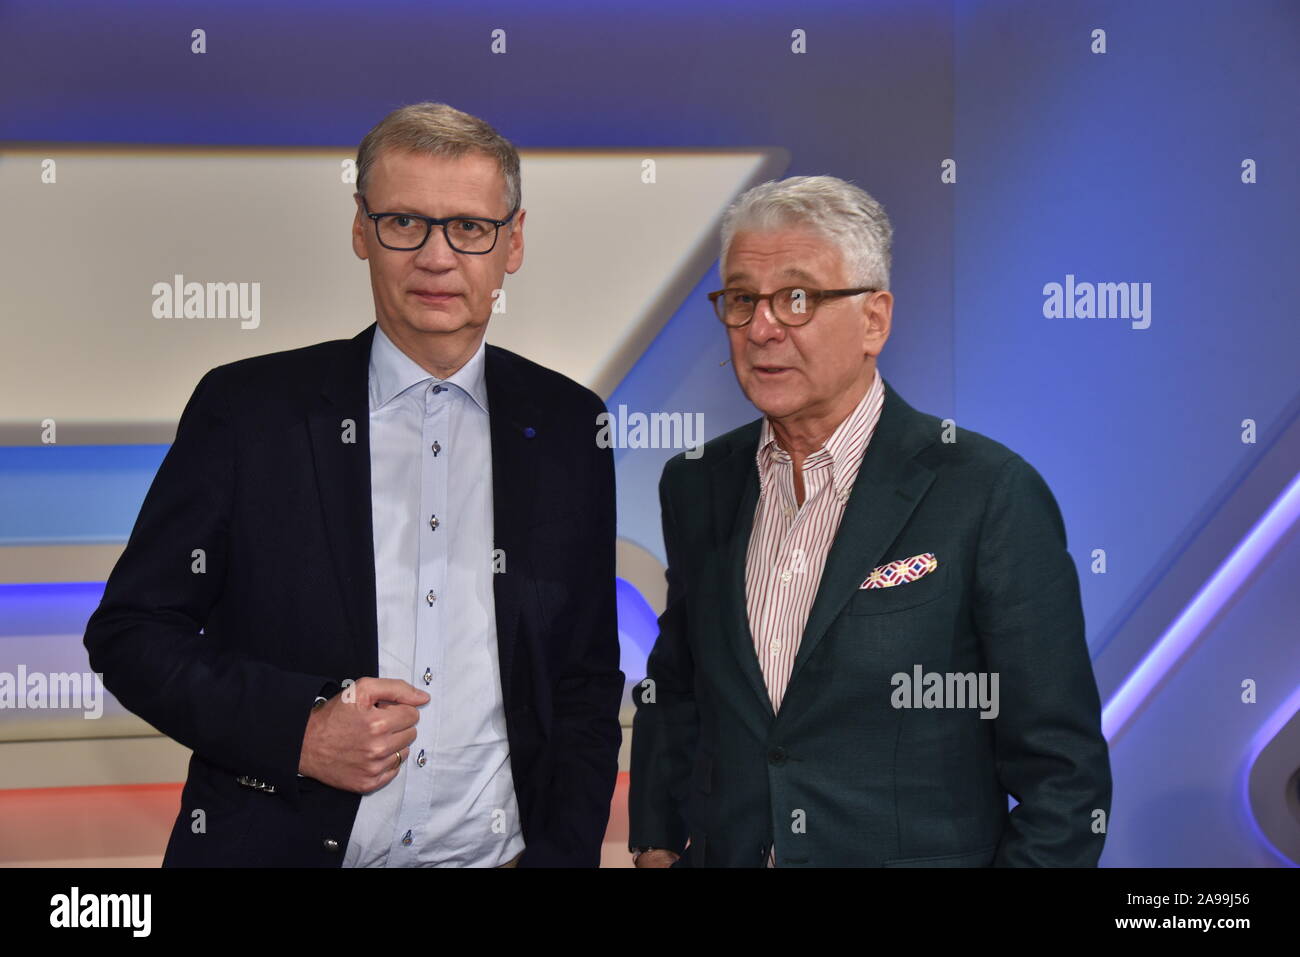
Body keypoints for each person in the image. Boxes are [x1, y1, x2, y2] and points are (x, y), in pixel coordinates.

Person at [84, 102, 623, 867]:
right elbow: (131, 633)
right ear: (360, 230)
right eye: (405, 221)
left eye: (469, 226)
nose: (437, 257)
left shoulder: (570, 426)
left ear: (515, 241)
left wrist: (562, 853)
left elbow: (585, 678)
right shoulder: (249, 412)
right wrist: (297, 730)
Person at [628, 175, 1111, 867]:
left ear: (875, 320)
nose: (762, 327)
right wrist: (653, 841)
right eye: (741, 299)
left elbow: (1064, 777)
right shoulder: (696, 482)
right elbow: (677, 685)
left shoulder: (986, 492)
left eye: (797, 298)